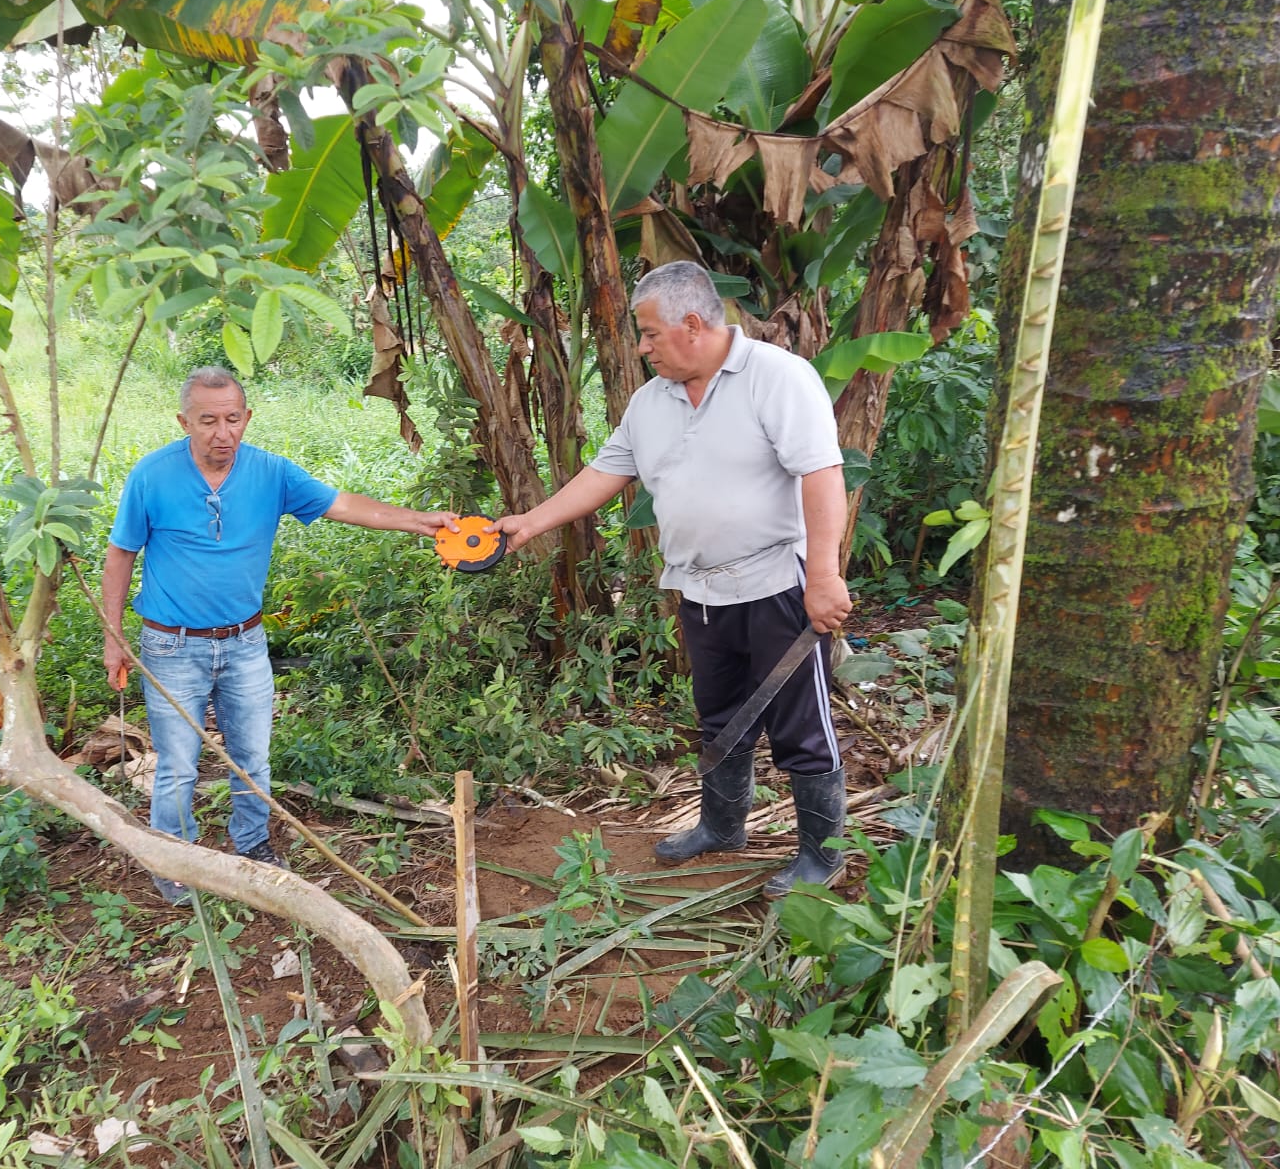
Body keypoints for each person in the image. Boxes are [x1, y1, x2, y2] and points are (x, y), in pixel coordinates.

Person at [491, 261, 853, 896]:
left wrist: (823, 575)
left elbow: (822, 474)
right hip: (700, 589)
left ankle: (823, 856)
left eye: (650, 333)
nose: (642, 346)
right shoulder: (651, 401)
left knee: (800, 727)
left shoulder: (777, 377)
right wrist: (529, 523)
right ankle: (722, 826)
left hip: (777, 584)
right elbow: (605, 473)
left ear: (693, 323)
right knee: (720, 717)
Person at [103, 366, 459, 904]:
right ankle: (174, 858)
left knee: (253, 757)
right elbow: (121, 554)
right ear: (184, 422)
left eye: (232, 419)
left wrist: (419, 521)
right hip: (172, 644)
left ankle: (252, 844)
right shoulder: (152, 476)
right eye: (208, 421)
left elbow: (342, 504)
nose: (222, 433)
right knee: (177, 765)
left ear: (247, 418)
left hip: (245, 642)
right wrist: (113, 637)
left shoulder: (271, 473)